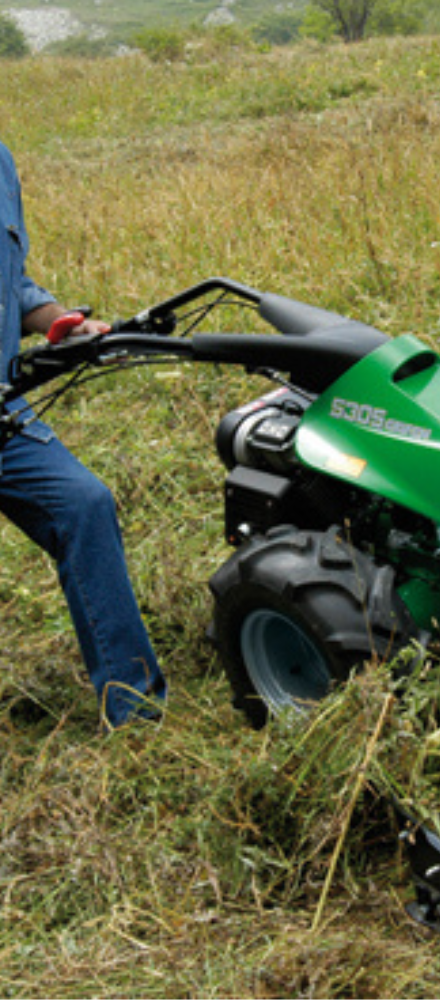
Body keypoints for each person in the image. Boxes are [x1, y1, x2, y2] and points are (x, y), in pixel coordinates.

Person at [0, 139, 167, 729]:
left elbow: (10, 285)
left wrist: (60, 323)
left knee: (84, 504)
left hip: (3, 414)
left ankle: (135, 707)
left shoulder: (0, 161)